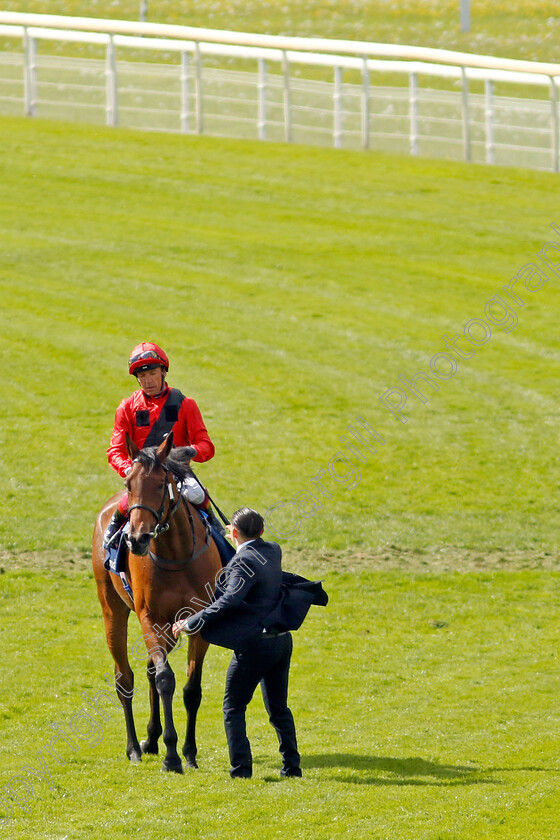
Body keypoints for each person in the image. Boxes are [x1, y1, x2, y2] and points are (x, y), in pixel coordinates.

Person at [173, 508, 302, 779]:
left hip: (255, 646)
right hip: (281, 641)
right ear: (262, 532)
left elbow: (229, 600)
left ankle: (241, 771)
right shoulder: (273, 550)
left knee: (233, 708)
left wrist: (191, 621)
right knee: (279, 709)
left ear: (232, 532)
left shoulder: (242, 563)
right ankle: (292, 767)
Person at [103, 341, 215, 548]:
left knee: (197, 493)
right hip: (142, 476)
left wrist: (189, 451)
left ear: (163, 371)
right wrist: (131, 470)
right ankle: (110, 542)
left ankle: (218, 536)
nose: (147, 381)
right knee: (127, 504)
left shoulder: (185, 404)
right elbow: (115, 451)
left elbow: (206, 446)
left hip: (177, 474)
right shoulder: (127, 407)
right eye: (142, 376)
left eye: (152, 373)